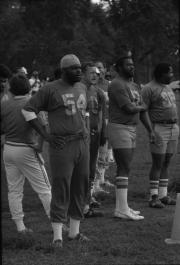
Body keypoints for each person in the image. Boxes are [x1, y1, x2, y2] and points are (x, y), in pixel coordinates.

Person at [22, 54, 90, 248]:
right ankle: (58, 235)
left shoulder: (82, 86)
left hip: (81, 142)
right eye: (74, 68)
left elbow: (83, 112)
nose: (79, 71)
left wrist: (86, 132)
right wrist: (46, 135)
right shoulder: (50, 89)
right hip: (62, 145)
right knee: (61, 187)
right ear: (64, 70)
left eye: (80, 67)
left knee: (81, 185)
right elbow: (28, 110)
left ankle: (75, 232)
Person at [1, 73, 51, 234]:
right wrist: (40, 145)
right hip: (26, 149)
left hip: (8, 148)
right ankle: (58, 223)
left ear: (11, 88)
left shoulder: (4, 104)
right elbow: (43, 127)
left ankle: (20, 226)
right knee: (44, 189)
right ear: (28, 88)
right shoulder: (32, 103)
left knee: (14, 190)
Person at [107, 53, 155, 220]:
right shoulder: (116, 84)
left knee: (126, 167)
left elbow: (142, 110)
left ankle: (123, 207)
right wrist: (142, 106)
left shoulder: (134, 85)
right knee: (123, 167)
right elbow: (128, 108)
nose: (132, 67)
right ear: (119, 68)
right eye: (128, 65)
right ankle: (121, 209)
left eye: (132, 64)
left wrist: (150, 130)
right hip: (120, 127)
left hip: (131, 129)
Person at [142, 63, 179, 208]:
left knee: (167, 161)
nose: (172, 75)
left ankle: (163, 195)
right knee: (158, 162)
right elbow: (143, 111)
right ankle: (153, 197)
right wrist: (150, 130)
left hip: (173, 127)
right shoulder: (148, 88)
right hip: (159, 128)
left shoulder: (168, 87)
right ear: (160, 74)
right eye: (169, 73)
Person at [81, 62, 106, 217]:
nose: (95, 76)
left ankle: (87, 199)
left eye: (97, 73)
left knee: (91, 168)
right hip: (83, 135)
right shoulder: (79, 89)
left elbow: (103, 113)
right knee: (82, 169)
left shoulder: (98, 91)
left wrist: (104, 132)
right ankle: (80, 202)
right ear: (84, 73)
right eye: (91, 73)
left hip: (96, 134)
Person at [94, 61, 114, 192]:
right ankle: (94, 183)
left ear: (105, 70)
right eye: (96, 69)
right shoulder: (91, 86)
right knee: (96, 150)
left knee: (106, 151)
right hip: (96, 120)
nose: (98, 70)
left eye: (100, 68)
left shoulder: (110, 86)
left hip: (109, 120)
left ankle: (101, 179)